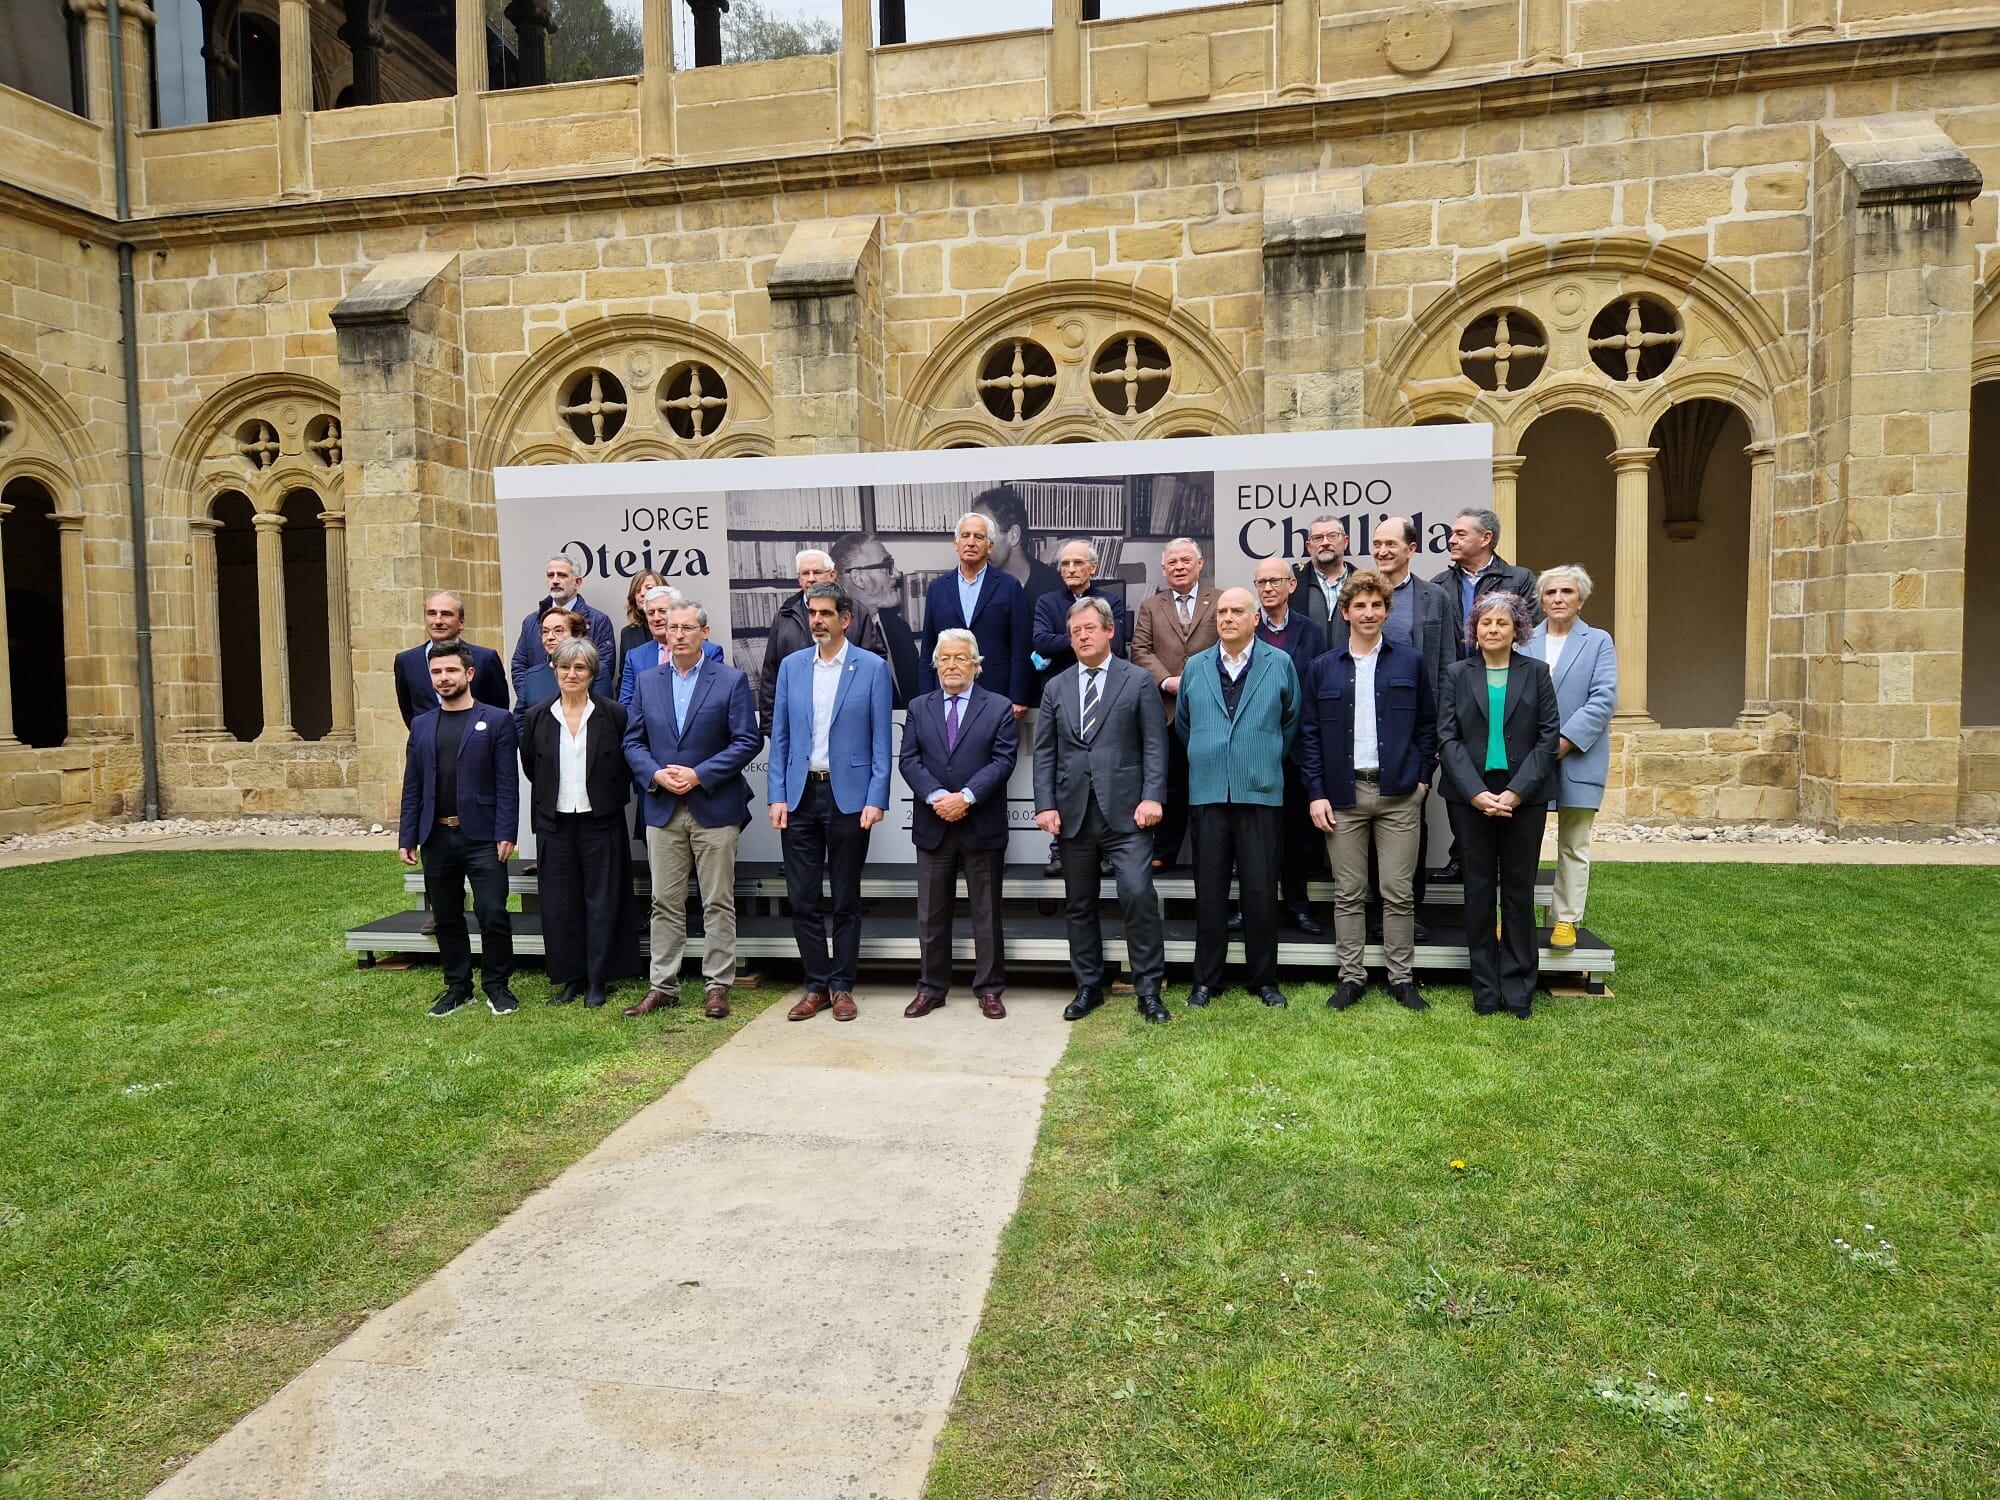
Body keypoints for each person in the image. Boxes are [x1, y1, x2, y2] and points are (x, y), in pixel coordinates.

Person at [1299, 571, 1438, 1014]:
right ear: (1345, 613)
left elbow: (1428, 726)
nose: (1369, 613)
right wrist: (1316, 792)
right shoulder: (1324, 668)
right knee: (1349, 892)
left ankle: (1401, 979)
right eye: (1360, 606)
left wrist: (1421, 780)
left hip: (1399, 795)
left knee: (1398, 892)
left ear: (1386, 610)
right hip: (1343, 796)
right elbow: (1309, 735)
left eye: (1376, 605)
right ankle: (1351, 978)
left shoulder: (1409, 662)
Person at [623, 599, 762, 1020]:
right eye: (671, 627)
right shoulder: (648, 681)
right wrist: (655, 774)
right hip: (663, 806)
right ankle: (662, 985)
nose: (678, 633)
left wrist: (700, 774)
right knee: (664, 902)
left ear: (705, 631)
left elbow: (747, 741)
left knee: (717, 900)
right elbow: (632, 742)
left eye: (687, 627)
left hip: (714, 805)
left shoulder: (731, 680)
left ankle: (717, 984)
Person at [1034, 596, 1171, 1025]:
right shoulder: (1056, 686)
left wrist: (1153, 796)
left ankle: (1148, 990)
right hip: (1073, 815)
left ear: (1110, 630)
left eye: (1090, 628)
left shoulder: (1136, 681)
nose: (1082, 636)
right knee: (1079, 904)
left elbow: (1154, 743)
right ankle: (1088, 986)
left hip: (1128, 813)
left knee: (1137, 895)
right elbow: (1044, 754)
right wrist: (1045, 805)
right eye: (1075, 632)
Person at [769, 582, 893, 1023]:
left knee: (845, 898)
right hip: (801, 796)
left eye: (826, 613)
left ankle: (842, 987)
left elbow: (882, 740)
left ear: (846, 618)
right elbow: (780, 737)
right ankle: (815, 986)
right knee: (802, 898)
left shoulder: (872, 668)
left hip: (849, 797)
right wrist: (777, 794)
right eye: (812, 613)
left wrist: (877, 797)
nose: (817, 620)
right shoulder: (791, 667)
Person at [1174, 587, 1301, 1009]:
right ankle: (1206, 981)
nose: (1228, 617)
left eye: (1237, 611)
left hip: (1260, 791)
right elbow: (1185, 725)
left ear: (1254, 618)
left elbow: (1291, 721)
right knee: (1209, 892)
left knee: (1261, 891)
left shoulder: (1279, 663)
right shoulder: (1195, 666)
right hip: (1208, 790)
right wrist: (1214, 755)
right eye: (1222, 611)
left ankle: (1264, 980)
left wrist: (1257, 758)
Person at [1437, 592, 1560, 1020]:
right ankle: (1485, 989)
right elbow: (1447, 739)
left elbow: (1548, 739)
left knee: (1518, 891)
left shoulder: (1537, 673)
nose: (1493, 630)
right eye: (1485, 622)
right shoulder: (1456, 674)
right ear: (1475, 629)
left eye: (1502, 624)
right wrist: (1475, 793)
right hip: (1469, 797)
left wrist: (1516, 792)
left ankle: (1520, 987)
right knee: (1478, 892)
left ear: (1517, 630)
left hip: (1523, 797)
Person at [898, 628, 1018, 1020]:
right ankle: (931, 988)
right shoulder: (918, 707)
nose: (951, 665)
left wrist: (964, 797)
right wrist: (937, 798)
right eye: (944, 659)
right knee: (931, 914)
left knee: (986, 912)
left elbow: (1002, 761)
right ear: (935, 665)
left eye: (960, 658)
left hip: (980, 822)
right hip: (934, 823)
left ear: (977, 665)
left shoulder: (998, 707)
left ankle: (989, 989)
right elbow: (909, 760)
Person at [519, 638, 641, 1009]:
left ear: (591, 673)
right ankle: (570, 978)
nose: (571, 674)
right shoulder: (537, 716)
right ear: (554, 670)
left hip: (600, 821)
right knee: (560, 904)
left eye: (580, 668)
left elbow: (625, 764)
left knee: (603, 901)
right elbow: (531, 767)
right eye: (565, 667)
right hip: (554, 823)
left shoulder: (614, 714)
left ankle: (598, 979)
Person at [397, 644, 519, 1016]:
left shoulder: (496, 720)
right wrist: (407, 835)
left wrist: (506, 832)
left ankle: (497, 987)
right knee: (447, 916)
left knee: (493, 912)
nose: (443, 678)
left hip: (482, 836)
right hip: (436, 835)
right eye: (437, 672)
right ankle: (457, 986)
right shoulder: (421, 724)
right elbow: (413, 783)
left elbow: (507, 783)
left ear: (469, 674)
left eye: (451, 670)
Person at [1359, 514, 1457, 916]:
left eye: (1391, 544)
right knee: (1361, 822)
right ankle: (1369, 910)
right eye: (1377, 544)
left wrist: (1438, 735)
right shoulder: (1360, 595)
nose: (1382, 551)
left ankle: (1407, 911)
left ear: (1411, 549)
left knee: (1412, 816)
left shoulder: (1435, 598)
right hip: (1362, 728)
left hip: (1414, 729)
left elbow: (1450, 666)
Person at [1522, 564, 1619, 951]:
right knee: (1521, 844)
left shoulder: (1598, 641)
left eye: (1566, 592)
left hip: (1579, 756)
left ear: (1581, 598)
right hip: (1530, 758)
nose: (1558, 599)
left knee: (1574, 843)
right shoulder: (1524, 639)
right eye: (1550, 593)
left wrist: (1563, 740)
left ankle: (1565, 920)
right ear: (1541, 600)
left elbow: (1604, 698)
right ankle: (1516, 919)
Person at [1031, 538, 1128, 875]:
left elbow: (1115, 642)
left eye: (1077, 563)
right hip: (1061, 694)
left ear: (1093, 568)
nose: (1070, 569)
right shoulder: (1046, 601)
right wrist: (1085, 640)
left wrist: (1066, 641)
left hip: (1105, 695)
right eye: (1065, 564)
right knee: (1062, 768)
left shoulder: (1111, 601)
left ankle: (1107, 850)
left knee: (1103, 767)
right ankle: (1059, 849)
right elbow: (1040, 640)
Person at [1129, 536, 1219, 872]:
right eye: (1172, 563)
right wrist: (1168, 681)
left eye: (1185, 561)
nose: (1179, 567)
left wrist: (1198, 682)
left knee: (1210, 786)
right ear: (1163, 569)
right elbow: (1140, 650)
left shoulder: (1220, 600)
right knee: (1170, 784)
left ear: (1200, 564)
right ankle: (1164, 851)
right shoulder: (1152, 606)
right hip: (1166, 711)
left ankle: (1211, 856)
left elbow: (1230, 646)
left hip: (1212, 710)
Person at [1252, 555, 1328, 935]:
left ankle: (1298, 907)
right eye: (1261, 583)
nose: (1267, 588)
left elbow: (1317, 687)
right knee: (1258, 836)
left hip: (1298, 748)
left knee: (1298, 836)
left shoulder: (1312, 631)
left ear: (1291, 585)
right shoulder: (1247, 628)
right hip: (1258, 749)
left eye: (1274, 581)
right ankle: (1255, 907)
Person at [758, 548, 888, 729]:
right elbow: (771, 673)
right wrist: (770, 726)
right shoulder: (784, 615)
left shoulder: (856, 611)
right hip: (797, 723)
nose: (811, 578)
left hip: (847, 721)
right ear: (799, 579)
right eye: (805, 573)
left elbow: (875, 666)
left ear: (833, 575)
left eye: (817, 572)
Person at [920, 510, 1033, 715]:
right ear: (956, 544)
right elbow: (928, 648)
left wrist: (1018, 696)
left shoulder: (1009, 586)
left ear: (990, 546)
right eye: (965, 536)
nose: (971, 542)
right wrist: (925, 697)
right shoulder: (937, 588)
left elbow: (1021, 645)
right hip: (947, 693)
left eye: (979, 537)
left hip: (998, 694)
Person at [983, 482, 1063, 705]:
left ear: (1013, 535)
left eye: (985, 534)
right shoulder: (974, 588)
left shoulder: (1056, 587)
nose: (975, 543)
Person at [831, 529, 918, 707]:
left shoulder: (900, 628)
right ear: (859, 578)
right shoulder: (830, 643)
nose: (897, 573)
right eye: (887, 566)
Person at [394, 590, 508, 727]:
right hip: (428, 745)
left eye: (446, 614)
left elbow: (499, 710)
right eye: (431, 614)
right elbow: (408, 711)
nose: (438, 621)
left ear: (461, 622)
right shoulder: (407, 661)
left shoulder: (485, 659)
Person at [510, 554, 615, 697]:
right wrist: (532, 699)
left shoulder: (598, 621)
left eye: (562, 575)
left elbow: (603, 668)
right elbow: (519, 666)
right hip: (539, 711)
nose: (555, 581)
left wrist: (571, 702)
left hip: (582, 707)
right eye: (550, 575)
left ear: (577, 582)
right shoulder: (531, 622)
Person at [1443, 507, 1540, 656]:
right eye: (1452, 534)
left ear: (1486, 538)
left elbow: (1529, 636)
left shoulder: (1520, 580)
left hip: (1506, 673)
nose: (1451, 541)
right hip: (1456, 676)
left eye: (1460, 535)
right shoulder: (1439, 584)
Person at [620, 584, 723, 706]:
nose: (656, 618)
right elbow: (626, 705)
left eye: (663, 611)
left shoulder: (709, 652)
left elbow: (717, 701)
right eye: (651, 613)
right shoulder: (635, 656)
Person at [514, 605, 587, 739]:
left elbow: (600, 717)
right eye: (545, 631)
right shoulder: (532, 676)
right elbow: (520, 718)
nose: (550, 637)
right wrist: (530, 750)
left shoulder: (593, 671)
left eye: (558, 631)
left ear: (576, 634)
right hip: (540, 754)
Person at [1290, 514, 1354, 625]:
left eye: (1332, 536)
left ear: (1345, 541)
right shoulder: (1292, 581)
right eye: (1318, 538)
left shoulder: (1363, 581)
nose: (1325, 543)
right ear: (1309, 546)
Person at [615, 570, 665, 687]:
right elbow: (624, 678)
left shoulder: (679, 627)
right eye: (637, 590)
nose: (642, 593)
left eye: (649, 588)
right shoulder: (627, 633)